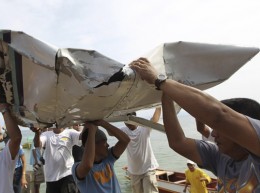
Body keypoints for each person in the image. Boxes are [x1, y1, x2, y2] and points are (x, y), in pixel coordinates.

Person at [130, 58, 260, 192]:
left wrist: (159, 80)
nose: (213, 134)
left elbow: (220, 116)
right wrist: (167, 94)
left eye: (220, 129)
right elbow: (177, 142)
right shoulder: (220, 157)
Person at [72, 120, 130, 193]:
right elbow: (88, 165)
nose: (108, 145)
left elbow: (125, 140)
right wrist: (92, 131)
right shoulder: (77, 168)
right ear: (94, 145)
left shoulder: (108, 158)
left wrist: (104, 124)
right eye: (105, 142)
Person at [119, 108, 161, 193]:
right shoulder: (123, 130)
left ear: (135, 118)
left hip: (148, 168)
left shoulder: (144, 128)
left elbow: (154, 120)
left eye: (130, 120)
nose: (128, 123)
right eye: (125, 121)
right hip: (134, 171)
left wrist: (158, 106)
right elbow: (110, 133)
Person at [32, 125, 81, 193]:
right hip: (51, 178)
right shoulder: (46, 134)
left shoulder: (70, 132)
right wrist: (37, 133)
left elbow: (82, 136)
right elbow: (37, 145)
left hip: (68, 174)